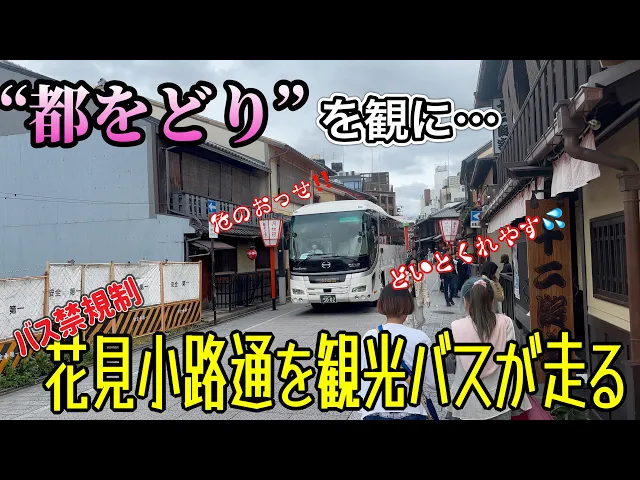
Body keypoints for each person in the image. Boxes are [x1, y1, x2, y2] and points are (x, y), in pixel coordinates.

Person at [446, 277, 532, 420]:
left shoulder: (456, 328)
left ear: (466, 302)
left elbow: (449, 365)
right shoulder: (507, 324)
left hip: (466, 403)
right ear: (492, 301)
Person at [360, 284, 436, 420]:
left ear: (382, 304)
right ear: (408, 305)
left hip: (374, 410)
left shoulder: (369, 336)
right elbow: (434, 382)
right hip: (411, 411)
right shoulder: (420, 338)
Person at [408, 257, 429, 329]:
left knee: (420, 320)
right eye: (412, 264)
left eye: (415, 264)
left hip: (418, 299)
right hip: (408, 300)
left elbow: (424, 288)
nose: (414, 265)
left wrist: (427, 298)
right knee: (410, 320)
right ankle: (412, 334)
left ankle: (417, 331)